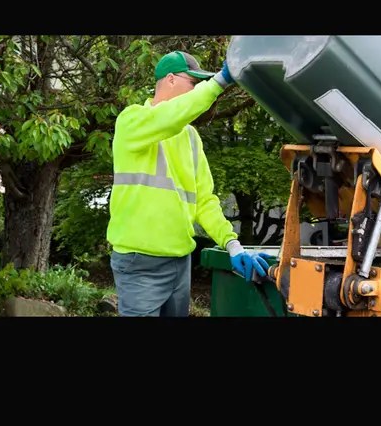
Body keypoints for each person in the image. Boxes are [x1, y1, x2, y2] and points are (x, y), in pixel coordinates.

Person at [106, 50, 273, 317]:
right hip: (140, 265)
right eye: (193, 83)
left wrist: (232, 245)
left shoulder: (191, 138)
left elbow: (205, 200)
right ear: (170, 80)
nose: (197, 90)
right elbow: (169, 116)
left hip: (179, 263)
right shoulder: (131, 121)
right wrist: (219, 82)